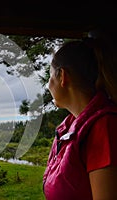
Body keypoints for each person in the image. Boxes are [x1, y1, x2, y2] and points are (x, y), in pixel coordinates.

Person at [43, 29, 117, 200]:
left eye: (49, 77)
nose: (48, 86)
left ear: (62, 76)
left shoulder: (103, 127)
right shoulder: (69, 128)